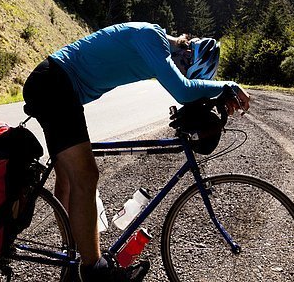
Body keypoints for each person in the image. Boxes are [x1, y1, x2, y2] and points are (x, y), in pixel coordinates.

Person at [22, 22, 250, 282]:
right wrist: (228, 85)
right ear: (187, 53)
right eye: (185, 69)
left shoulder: (154, 45)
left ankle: (72, 262)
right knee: (86, 175)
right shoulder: (151, 37)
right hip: (55, 83)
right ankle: (95, 270)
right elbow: (182, 89)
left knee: (68, 182)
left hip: (58, 86)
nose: (180, 72)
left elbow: (185, 90)